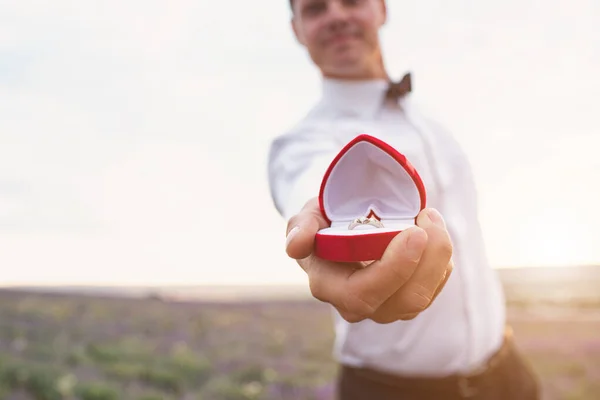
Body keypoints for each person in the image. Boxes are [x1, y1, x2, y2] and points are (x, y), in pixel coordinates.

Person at [267, 0, 541, 399]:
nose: (337, 15)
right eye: (316, 9)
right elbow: (310, 191)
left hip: (507, 372)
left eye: (351, 1)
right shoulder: (302, 143)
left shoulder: (431, 119)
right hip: (390, 389)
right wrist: (316, 230)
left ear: (381, 9)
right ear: (297, 30)